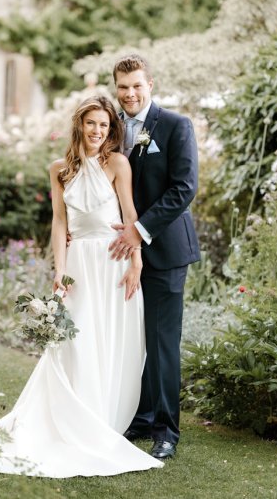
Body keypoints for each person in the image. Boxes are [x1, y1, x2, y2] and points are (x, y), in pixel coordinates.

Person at [0, 96, 163, 478]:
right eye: (91, 123)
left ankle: (102, 419)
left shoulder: (117, 163)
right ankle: (73, 420)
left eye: (104, 126)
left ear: (111, 130)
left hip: (114, 261)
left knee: (114, 341)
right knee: (75, 341)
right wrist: (59, 269)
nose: (97, 131)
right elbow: (60, 222)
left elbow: (130, 214)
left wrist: (136, 261)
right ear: (80, 125)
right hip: (79, 264)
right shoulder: (58, 169)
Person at [108, 54, 200, 460]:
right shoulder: (110, 128)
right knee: (131, 338)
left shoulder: (176, 125)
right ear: (116, 88)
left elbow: (184, 188)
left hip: (163, 249)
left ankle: (166, 430)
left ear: (150, 85)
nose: (130, 94)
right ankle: (140, 418)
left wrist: (139, 229)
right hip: (118, 255)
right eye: (123, 87)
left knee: (162, 342)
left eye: (137, 86)